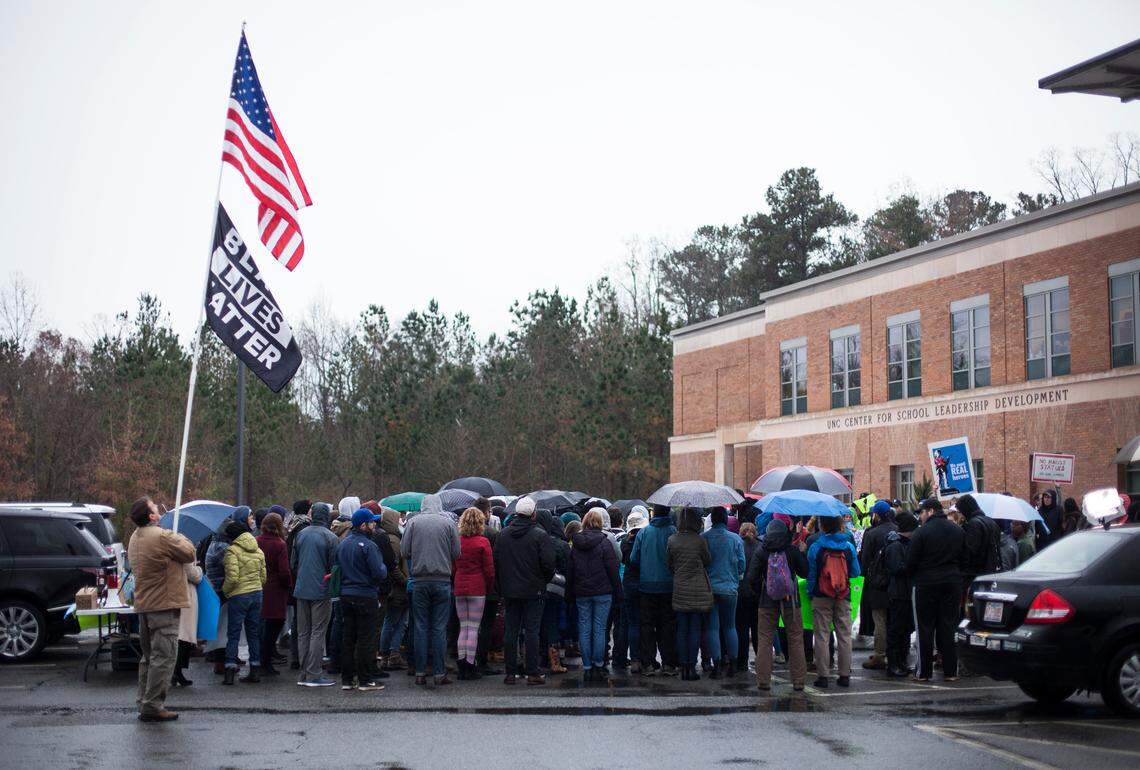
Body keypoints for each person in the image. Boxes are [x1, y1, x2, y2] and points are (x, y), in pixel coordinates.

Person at [127, 497, 196, 722]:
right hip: (164, 605)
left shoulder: (135, 538)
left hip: (145, 604)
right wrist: (178, 535)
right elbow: (189, 553)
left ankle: (144, 700)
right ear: (152, 516)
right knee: (164, 657)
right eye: (155, 507)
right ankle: (153, 705)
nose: (158, 508)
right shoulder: (162, 536)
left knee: (149, 657)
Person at [493, 496, 555, 685]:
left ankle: (510, 672)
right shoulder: (540, 535)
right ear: (533, 513)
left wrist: (502, 585)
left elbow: (496, 562)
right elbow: (548, 564)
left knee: (511, 631)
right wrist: (542, 581)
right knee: (531, 632)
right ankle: (532, 672)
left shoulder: (503, 535)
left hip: (510, 590)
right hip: (533, 590)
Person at [401, 493, 461, 686]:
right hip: (442, 580)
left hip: (419, 580)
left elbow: (404, 551)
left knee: (420, 627)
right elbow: (456, 552)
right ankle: (439, 672)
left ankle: (420, 672)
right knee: (439, 628)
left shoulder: (413, 523)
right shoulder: (448, 524)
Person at [906, 498, 964, 682]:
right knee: (948, 626)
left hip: (926, 583)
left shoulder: (921, 533)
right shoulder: (957, 530)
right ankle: (951, 671)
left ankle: (923, 672)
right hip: (952, 582)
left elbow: (910, 562)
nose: (920, 517)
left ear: (930, 511)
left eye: (921, 512)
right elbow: (965, 556)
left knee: (924, 628)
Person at [747, 518, 808, 691]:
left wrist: (761, 591)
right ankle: (798, 681)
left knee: (765, 639)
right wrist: (802, 552)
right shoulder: (792, 550)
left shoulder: (762, 551)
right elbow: (805, 572)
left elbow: (751, 578)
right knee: (795, 639)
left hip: (767, 601)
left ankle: (763, 681)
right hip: (791, 601)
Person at [566, 508, 623, 682]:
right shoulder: (605, 543)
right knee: (600, 629)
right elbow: (613, 569)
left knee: (584, 628)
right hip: (603, 591)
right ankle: (599, 664)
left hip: (582, 592)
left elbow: (571, 571)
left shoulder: (575, 544)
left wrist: (569, 594)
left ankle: (588, 666)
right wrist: (618, 592)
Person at [806, 515, 861, 689]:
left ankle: (823, 676)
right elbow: (855, 572)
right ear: (840, 525)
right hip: (843, 595)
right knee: (844, 635)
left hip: (821, 595)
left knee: (822, 635)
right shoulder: (848, 547)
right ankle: (844, 675)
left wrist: (810, 592)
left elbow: (812, 575)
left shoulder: (815, 547)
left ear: (822, 525)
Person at [337, 508, 388, 691]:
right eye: (372, 522)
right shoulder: (369, 546)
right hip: (366, 595)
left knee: (348, 638)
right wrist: (383, 569)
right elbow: (379, 572)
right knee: (366, 639)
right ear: (363, 524)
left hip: (346, 594)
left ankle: (347, 679)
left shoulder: (342, 544)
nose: (374, 525)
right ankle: (365, 680)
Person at [291, 502, 339, 687]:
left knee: (304, 632)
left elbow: (293, 563)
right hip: (321, 589)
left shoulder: (300, 534)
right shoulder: (330, 537)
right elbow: (334, 567)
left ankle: (304, 674)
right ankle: (314, 673)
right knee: (318, 632)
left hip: (302, 588)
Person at [631, 504, 679, 676]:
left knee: (647, 625)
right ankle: (668, 663)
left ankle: (648, 663)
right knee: (668, 625)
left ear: (653, 513)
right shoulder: (673, 531)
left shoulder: (644, 532)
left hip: (647, 585)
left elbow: (634, 558)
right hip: (668, 586)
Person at [666, 507, 712, 681]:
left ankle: (683, 666)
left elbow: (668, 563)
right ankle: (692, 667)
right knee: (695, 630)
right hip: (698, 589)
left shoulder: (672, 540)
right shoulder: (699, 541)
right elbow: (708, 560)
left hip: (680, 588)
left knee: (682, 629)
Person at [222, 517, 267, 685]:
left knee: (233, 634)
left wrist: (226, 592)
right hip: (257, 594)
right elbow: (263, 577)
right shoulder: (258, 550)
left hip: (238, 595)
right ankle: (255, 669)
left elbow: (232, 578)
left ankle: (230, 670)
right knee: (253, 633)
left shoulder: (232, 551)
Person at [701, 507, 745, 678]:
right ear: (726, 520)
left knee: (712, 628)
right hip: (730, 588)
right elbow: (742, 565)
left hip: (710, 589)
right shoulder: (735, 539)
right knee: (730, 626)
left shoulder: (704, 538)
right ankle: (732, 664)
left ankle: (717, 665)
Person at [454, 507, 494, 680]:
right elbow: (489, 570)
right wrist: (489, 586)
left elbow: (453, 566)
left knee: (463, 627)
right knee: (473, 628)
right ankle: (470, 664)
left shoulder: (457, 541)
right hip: (477, 587)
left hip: (459, 586)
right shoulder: (483, 542)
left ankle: (461, 664)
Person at [858, 500, 897, 671]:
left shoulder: (872, 534)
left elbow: (865, 561)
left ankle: (880, 654)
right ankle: (891, 652)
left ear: (877, 515)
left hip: (877, 583)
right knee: (892, 619)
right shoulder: (897, 529)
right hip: (896, 581)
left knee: (879, 619)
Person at [256, 511, 291, 678]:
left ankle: (261, 660)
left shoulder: (257, 542)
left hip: (259, 586)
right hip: (276, 589)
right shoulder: (280, 545)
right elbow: (284, 571)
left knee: (262, 627)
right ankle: (266, 662)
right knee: (274, 626)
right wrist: (288, 585)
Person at [882, 511, 917, 677]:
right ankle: (894, 663)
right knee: (896, 629)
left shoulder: (904, 544)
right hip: (898, 593)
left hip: (906, 592)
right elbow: (896, 568)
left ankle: (902, 661)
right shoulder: (895, 546)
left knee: (906, 629)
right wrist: (912, 566)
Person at [378, 505, 410, 671]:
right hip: (398, 588)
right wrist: (405, 581)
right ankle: (391, 654)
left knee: (393, 621)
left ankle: (388, 654)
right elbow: (394, 566)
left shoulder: (387, 537)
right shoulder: (394, 540)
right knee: (396, 622)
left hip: (392, 588)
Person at [620, 507, 648, 673]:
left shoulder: (624, 542)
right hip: (644, 583)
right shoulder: (645, 539)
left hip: (629, 584)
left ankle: (635, 658)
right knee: (645, 623)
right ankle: (645, 658)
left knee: (633, 624)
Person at [734, 522, 761, 675]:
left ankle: (742, 662)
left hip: (740, 593)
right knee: (758, 630)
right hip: (757, 594)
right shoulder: (761, 547)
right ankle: (761, 659)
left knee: (741, 629)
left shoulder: (738, 546)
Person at [172, 561, 202, 688]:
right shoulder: (181, 551)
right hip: (185, 595)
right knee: (183, 636)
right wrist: (199, 568)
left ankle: (176, 672)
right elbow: (194, 576)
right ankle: (177, 672)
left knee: (180, 635)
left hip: (174, 594)